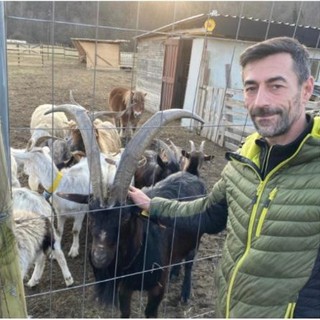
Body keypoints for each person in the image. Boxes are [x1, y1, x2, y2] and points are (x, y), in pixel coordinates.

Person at [128, 36, 320, 318]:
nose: (260, 101)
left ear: (306, 90)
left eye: (276, 86)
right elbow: (208, 212)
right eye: (251, 87)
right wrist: (153, 205)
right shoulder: (246, 156)